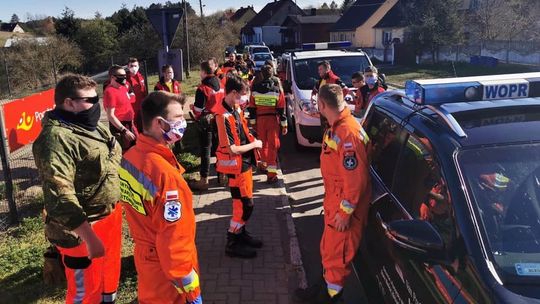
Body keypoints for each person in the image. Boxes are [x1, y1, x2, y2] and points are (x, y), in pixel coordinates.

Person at [33, 74, 123, 303]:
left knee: (108, 273)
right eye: (89, 101)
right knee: (85, 290)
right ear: (68, 103)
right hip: (82, 228)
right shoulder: (55, 139)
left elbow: (112, 151)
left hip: (108, 216)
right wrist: (89, 237)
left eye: (97, 99)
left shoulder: (90, 126)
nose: (96, 105)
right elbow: (59, 196)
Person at [120, 91, 202, 304]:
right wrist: (191, 293)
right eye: (178, 118)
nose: (183, 122)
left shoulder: (130, 158)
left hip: (146, 259)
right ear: (159, 123)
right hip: (168, 273)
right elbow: (174, 240)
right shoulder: (165, 176)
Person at [295, 84, 371, 303]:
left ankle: (331, 298)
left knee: (336, 262)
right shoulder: (337, 127)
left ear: (321, 104)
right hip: (335, 204)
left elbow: (356, 180)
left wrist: (346, 213)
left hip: (344, 211)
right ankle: (320, 291)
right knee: (329, 253)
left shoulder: (347, 134)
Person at [215, 75, 264, 258]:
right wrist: (255, 145)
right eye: (243, 95)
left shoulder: (235, 108)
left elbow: (242, 131)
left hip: (245, 164)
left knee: (242, 204)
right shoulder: (223, 116)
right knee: (245, 206)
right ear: (233, 93)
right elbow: (232, 148)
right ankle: (232, 240)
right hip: (236, 166)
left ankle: (240, 233)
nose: (244, 99)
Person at [247, 65, 287, 183]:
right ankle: (271, 175)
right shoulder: (276, 90)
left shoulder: (254, 90)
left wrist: (253, 124)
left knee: (262, 144)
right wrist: (284, 125)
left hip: (260, 120)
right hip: (273, 121)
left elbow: (252, 109)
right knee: (273, 147)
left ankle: (263, 164)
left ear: (262, 75)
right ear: (272, 74)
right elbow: (281, 109)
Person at [190, 61, 226, 191]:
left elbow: (199, 110)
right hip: (220, 120)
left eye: (200, 71)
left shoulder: (202, 88)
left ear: (204, 72)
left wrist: (193, 108)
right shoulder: (221, 84)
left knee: (206, 150)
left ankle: (204, 180)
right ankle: (222, 176)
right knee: (220, 149)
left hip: (207, 122)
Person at [103, 64, 137, 151]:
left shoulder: (122, 88)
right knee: (126, 153)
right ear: (113, 77)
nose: (124, 78)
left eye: (125, 75)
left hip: (130, 124)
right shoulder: (109, 92)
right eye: (121, 76)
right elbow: (110, 115)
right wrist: (124, 131)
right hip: (120, 128)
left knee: (135, 149)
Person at [126, 57, 148, 131]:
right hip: (131, 107)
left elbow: (144, 91)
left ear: (138, 66)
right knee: (132, 127)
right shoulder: (125, 78)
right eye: (131, 66)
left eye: (135, 66)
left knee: (142, 126)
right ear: (128, 67)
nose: (133, 68)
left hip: (141, 106)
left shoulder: (141, 77)